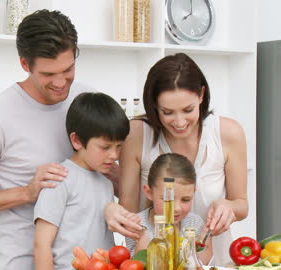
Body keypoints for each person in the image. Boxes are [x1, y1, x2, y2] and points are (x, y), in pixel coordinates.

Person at [0, 10, 144, 270]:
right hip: (23, 261)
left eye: (68, 69)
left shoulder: (85, 98)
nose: (61, 83)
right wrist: (27, 192)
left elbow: (102, 173)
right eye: (49, 74)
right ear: (25, 64)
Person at [106, 53, 248, 265]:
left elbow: (242, 205)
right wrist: (111, 209)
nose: (180, 121)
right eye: (168, 112)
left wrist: (228, 207)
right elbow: (129, 210)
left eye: (188, 110)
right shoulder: (136, 135)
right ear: (154, 105)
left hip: (214, 261)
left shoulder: (228, 133)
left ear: (201, 95)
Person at [33, 92, 130, 270]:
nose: (114, 155)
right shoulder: (59, 179)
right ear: (77, 140)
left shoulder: (106, 183)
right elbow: (42, 245)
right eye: (105, 147)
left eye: (119, 146)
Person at [125, 153, 213, 265]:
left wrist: (206, 239)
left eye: (185, 199)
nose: (176, 208)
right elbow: (138, 265)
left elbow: (201, 264)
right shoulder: (137, 224)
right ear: (149, 192)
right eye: (167, 199)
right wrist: (141, 237)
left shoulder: (194, 223)